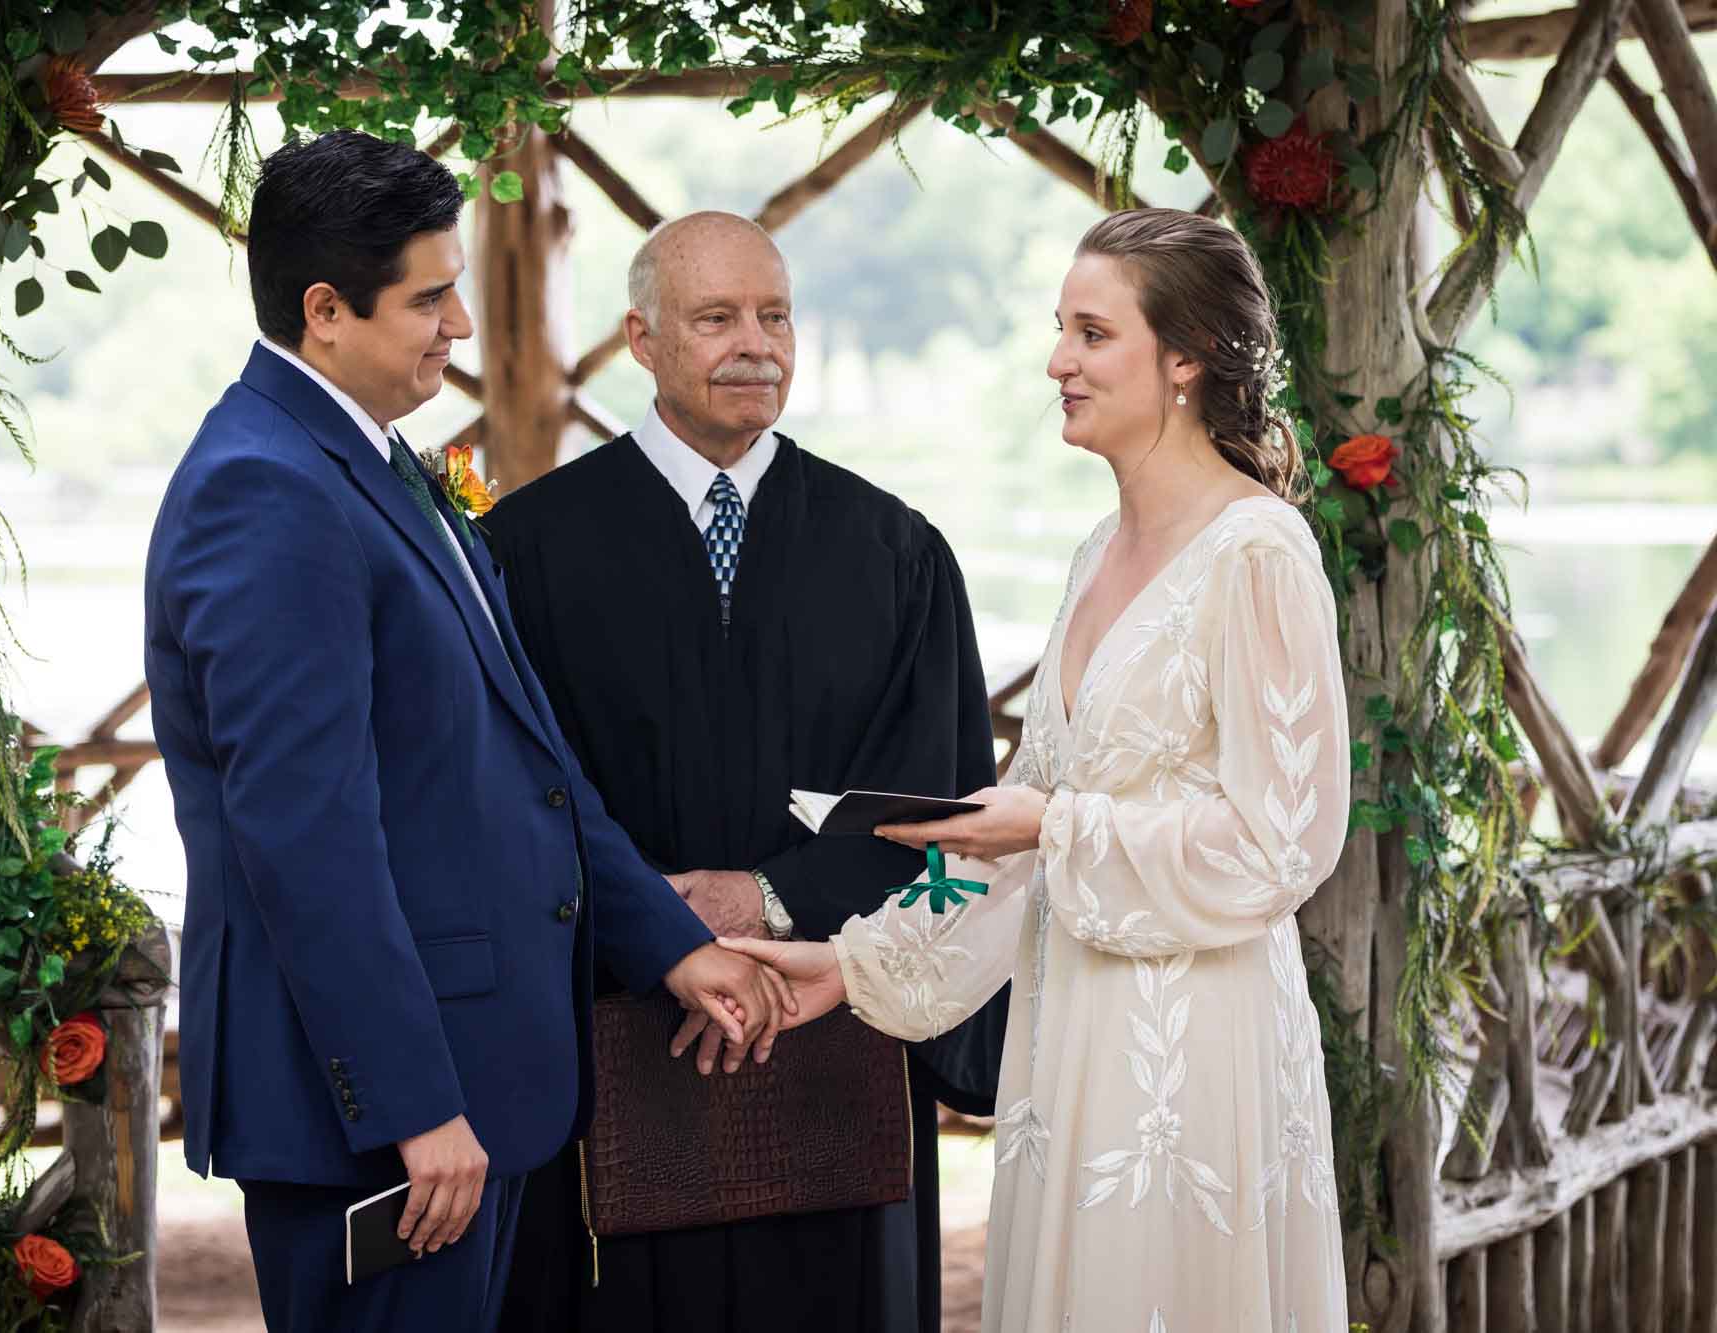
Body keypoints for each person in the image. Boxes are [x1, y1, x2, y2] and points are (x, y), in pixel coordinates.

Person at [143, 132, 785, 1333]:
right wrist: (407, 1103)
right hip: (385, 1119)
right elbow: (303, 836)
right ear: (324, 310)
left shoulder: (374, 464)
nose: (459, 328)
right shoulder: (266, 489)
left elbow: (528, 765)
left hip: (466, 1079)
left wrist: (666, 943)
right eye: (429, 298)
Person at [724, 207, 1353, 1331]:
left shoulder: (1257, 554)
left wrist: (1051, 827)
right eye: (1058, 328)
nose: (1054, 360)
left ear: (1183, 360)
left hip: (1191, 1052)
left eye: (1089, 333)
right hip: (1068, 1039)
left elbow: (1282, 843)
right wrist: (852, 963)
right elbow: (1015, 839)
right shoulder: (1093, 554)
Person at [484, 211, 1005, 1333]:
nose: (753, 344)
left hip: (831, 1038)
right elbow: (513, 794)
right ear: (642, 336)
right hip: (612, 1040)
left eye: (773, 315)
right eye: (715, 318)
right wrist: (662, 930)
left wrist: (760, 901)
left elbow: (941, 806)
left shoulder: (893, 552)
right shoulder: (525, 549)